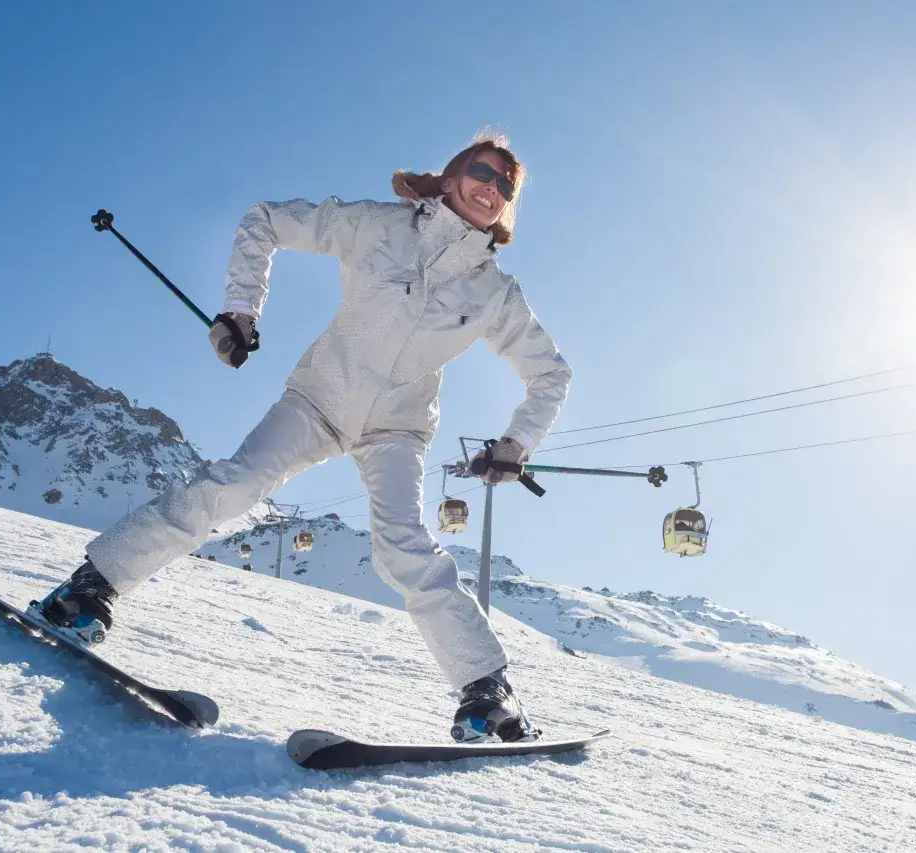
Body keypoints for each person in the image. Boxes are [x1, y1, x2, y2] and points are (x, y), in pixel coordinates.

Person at [32, 134, 572, 743]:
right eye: (482, 171)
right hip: (320, 399)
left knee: (403, 546)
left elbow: (551, 373)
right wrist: (240, 311)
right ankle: (88, 590)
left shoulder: (494, 292)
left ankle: (487, 692)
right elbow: (265, 221)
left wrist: (516, 443)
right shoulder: (376, 226)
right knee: (233, 484)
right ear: (449, 179)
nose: (492, 188)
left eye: (507, 186)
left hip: (397, 425)